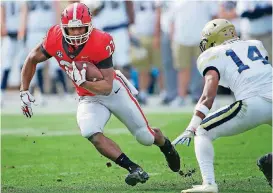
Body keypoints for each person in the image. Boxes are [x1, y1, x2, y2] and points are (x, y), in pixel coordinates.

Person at [20, 3, 180, 186]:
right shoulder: (54, 37)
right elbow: (32, 58)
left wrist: (84, 82)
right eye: (71, 29)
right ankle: (134, 168)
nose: (76, 33)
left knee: (145, 137)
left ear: (89, 25)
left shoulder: (100, 40)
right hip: (88, 97)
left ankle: (166, 146)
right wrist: (23, 90)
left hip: (113, 91)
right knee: (90, 131)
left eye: (80, 27)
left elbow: (106, 86)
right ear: (64, 28)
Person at [172, 19, 272, 193]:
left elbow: (208, 95)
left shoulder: (212, 54)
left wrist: (191, 126)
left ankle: (209, 184)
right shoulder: (256, 44)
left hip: (253, 103)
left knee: (202, 130)